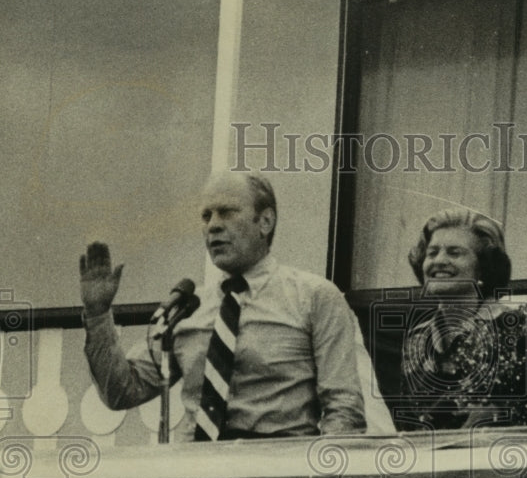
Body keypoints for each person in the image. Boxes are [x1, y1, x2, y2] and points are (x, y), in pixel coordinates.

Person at [80, 170, 367, 440]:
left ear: (265, 222)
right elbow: (121, 392)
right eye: (206, 216)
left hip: (278, 471)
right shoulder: (188, 308)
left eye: (227, 212)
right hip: (199, 473)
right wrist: (97, 314)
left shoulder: (314, 297)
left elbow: (344, 409)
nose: (213, 225)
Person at [396, 208, 527, 431]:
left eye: (454, 252)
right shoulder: (417, 338)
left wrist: (502, 415)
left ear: (484, 268)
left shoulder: (518, 329)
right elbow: (409, 421)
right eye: (431, 253)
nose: (439, 260)